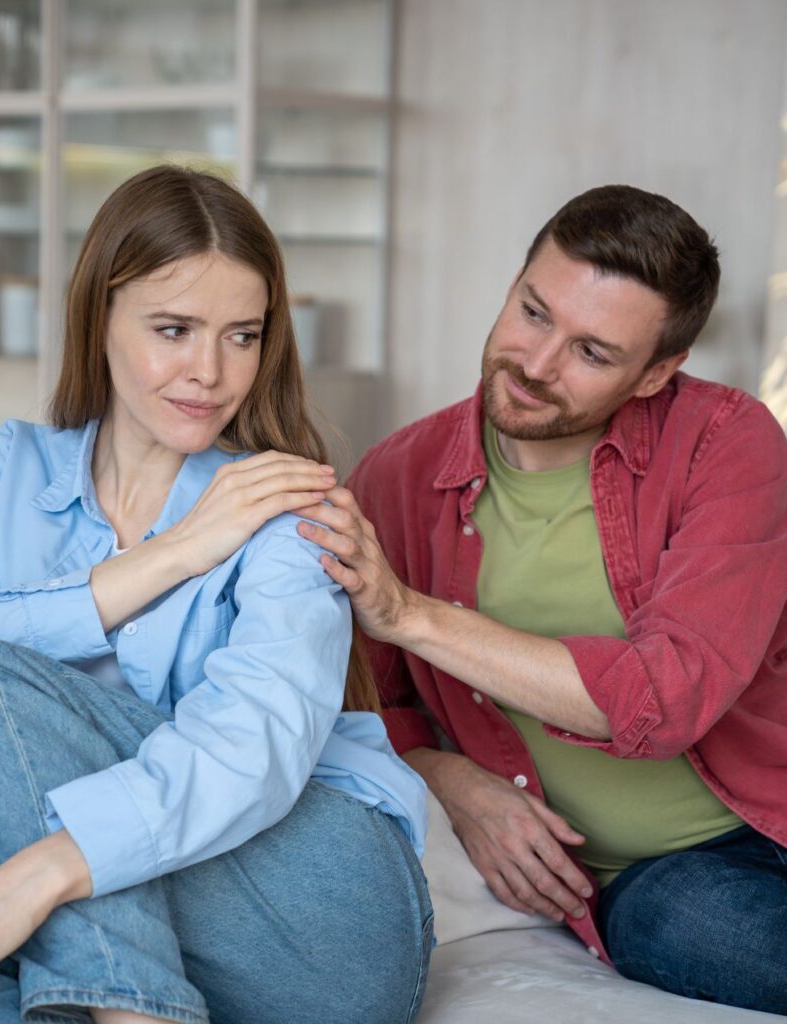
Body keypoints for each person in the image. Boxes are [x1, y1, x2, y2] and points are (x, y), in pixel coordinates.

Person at [0, 165, 431, 1024]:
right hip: (160, 926)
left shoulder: (289, 505)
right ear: (97, 315)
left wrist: (44, 870)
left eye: (241, 336)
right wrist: (169, 556)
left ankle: (116, 996)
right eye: (173, 328)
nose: (209, 373)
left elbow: (255, 744)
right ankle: (129, 1003)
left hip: (313, 913)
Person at [295, 184, 787, 1014]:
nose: (535, 363)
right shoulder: (398, 478)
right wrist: (448, 775)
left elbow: (664, 699)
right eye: (532, 312)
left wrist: (414, 614)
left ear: (657, 373)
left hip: (769, 804)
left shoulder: (727, 442)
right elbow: (363, 702)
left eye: (593, 353)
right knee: (680, 927)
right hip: (659, 881)